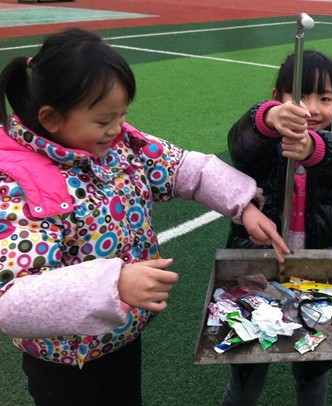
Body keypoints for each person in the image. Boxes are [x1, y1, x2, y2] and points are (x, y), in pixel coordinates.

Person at [0, 27, 290, 406]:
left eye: (122, 114)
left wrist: (243, 204)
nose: (117, 127)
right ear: (51, 119)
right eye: (104, 119)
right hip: (64, 358)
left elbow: (183, 168)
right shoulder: (21, 185)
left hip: (120, 331)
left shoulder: (122, 144)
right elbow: (11, 298)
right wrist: (114, 284)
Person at [222, 50, 332, 406]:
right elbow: (239, 145)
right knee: (249, 358)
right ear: (278, 97)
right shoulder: (265, 137)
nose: (312, 109)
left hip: (320, 271)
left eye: (325, 99)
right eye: (299, 96)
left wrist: (313, 148)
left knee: (313, 363)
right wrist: (268, 118)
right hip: (261, 265)